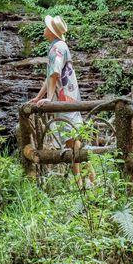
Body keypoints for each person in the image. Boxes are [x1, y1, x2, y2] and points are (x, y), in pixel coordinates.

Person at [29, 14, 84, 176]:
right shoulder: (58, 45)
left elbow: (55, 73)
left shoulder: (57, 48)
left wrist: (49, 97)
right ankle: (88, 179)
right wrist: (40, 96)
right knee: (72, 138)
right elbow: (50, 77)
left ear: (52, 32)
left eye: (47, 27)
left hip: (64, 97)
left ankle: (80, 180)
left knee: (71, 138)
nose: (45, 29)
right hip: (66, 95)